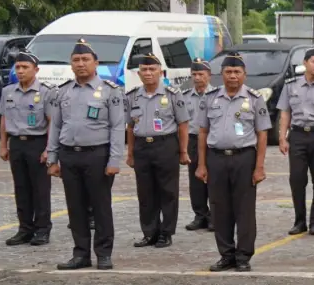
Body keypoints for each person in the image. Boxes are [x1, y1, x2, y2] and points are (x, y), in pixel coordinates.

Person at [47, 39, 125, 271]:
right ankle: (80, 254)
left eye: (85, 60)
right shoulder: (63, 92)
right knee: (75, 207)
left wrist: (114, 160)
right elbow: (56, 127)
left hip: (97, 155)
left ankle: (103, 253)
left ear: (96, 63)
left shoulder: (110, 91)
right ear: (71, 64)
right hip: (69, 155)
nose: (80, 64)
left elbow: (118, 127)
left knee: (101, 206)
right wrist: (52, 158)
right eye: (76, 60)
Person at [195, 53, 271, 272]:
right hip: (216, 158)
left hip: (244, 158)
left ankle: (243, 256)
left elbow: (263, 134)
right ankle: (226, 254)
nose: (233, 76)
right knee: (220, 209)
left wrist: (259, 167)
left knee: (244, 210)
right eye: (228, 72)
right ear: (222, 75)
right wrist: (201, 164)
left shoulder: (255, 99)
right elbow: (202, 132)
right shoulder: (210, 98)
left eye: (237, 72)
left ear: (244, 75)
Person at [123, 53, 190, 248]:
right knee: (145, 193)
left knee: (167, 191)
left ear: (161, 72)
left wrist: (183, 151)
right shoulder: (133, 95)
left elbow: (183, 124)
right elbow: (129, 127)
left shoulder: (172, 94)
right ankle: (149, 232)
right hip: (142, 146)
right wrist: (130, 153)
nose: (148, 73)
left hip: (165, 145)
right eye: (144, 70)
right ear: (139, 73)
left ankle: (166, 233)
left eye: (152, 69)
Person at [275, 47, 314, 236]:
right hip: (298, 135)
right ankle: (299, 221)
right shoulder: (291, 85)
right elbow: (285, 112)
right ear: (305, 62)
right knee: (297, 179)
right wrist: (282, 137)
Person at [0, 51, 52, 247]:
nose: (20, 71)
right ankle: (25, 229)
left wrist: (49, 149)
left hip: (37, 142)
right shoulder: (8, 92)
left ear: (36, 70)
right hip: (17, 144)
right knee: (21, 188)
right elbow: (4, 119)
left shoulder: (46, 92)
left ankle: (42, 229)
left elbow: (52, 122)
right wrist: (4, 145)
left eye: (25, 67)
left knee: (40, 189)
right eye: (18, 67)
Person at [179, 61, 214, 232]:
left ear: (209, 75)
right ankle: (200, 215)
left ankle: (215, 216)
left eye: (201, 74)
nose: (197, 78)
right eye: (194, 74)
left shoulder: (216, 94)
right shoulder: (184, 96)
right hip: (192, 139)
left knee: (214, 178)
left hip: (213, 140)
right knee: (195, 180)